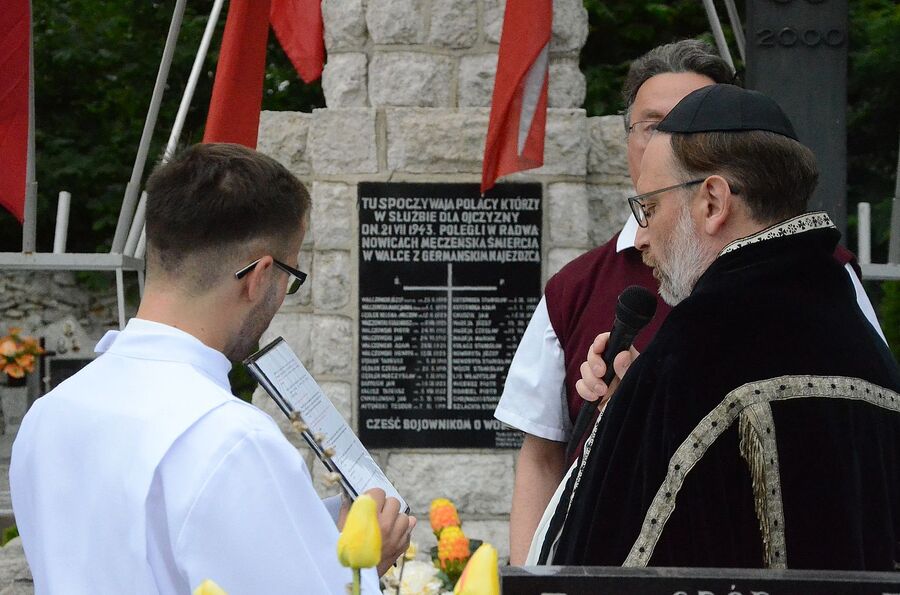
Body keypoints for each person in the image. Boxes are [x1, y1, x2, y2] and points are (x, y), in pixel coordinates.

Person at [493, 40, 885, 565]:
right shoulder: (859, 339)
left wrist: (634, 414)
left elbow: (604, 561)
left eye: (650, 209)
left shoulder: (691, 355)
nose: (643, 236)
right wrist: (630, 407)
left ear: (713, 201)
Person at [10, 144, 414, 593]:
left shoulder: (49, 413)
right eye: (291, 276)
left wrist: (309, 530)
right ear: (260, 276)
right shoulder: (235, 439)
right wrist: (361, 565)